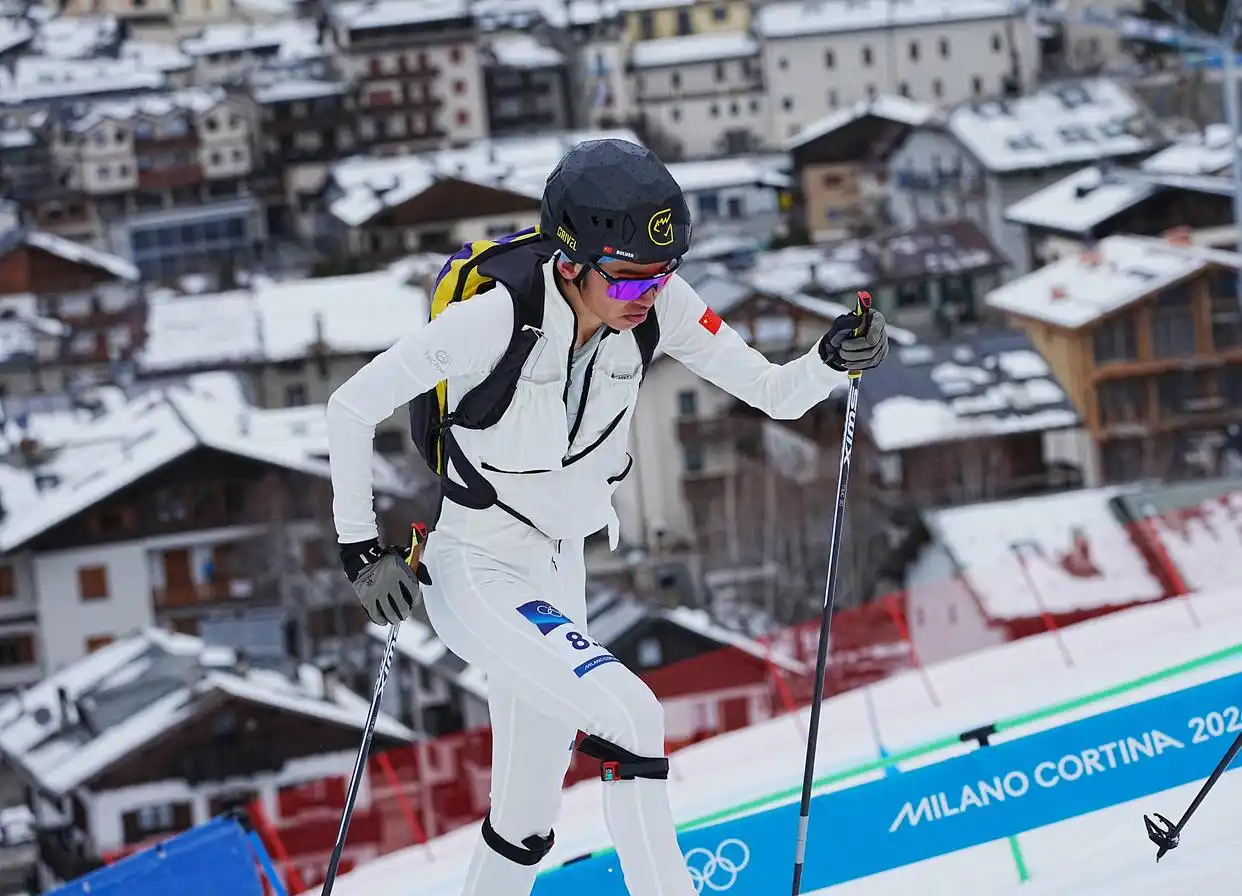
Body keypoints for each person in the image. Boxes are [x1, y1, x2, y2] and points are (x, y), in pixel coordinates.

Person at [325, 137, 889, 895]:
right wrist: (362, 552)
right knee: (632, 717)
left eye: (663, 272)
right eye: (626, 278)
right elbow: (350, 406)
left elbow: (773, 393)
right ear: (569, 261)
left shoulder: (658, 303)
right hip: (478, 567)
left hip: (561, 571)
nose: (647, 295)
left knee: (525, 821)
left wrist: (831, 358)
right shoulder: (495, 320)